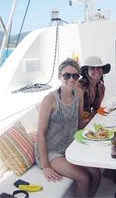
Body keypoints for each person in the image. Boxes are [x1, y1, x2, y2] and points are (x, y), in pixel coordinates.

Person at [35, 58, 101, 197]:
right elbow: (40, 133)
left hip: (70, 146)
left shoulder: (78, 93)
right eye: (67, 75)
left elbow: (79, 124)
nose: (71, 79)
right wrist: (46, 166)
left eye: (75, 76)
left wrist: (99, 124)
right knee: (84, 178)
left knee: (96, 173)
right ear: (59, 76)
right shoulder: (50, 100)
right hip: (52, 151)